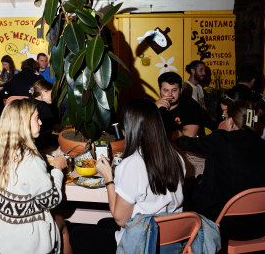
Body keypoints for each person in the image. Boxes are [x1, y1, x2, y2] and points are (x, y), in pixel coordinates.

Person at [69, 99, 185, 253]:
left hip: (143, 242)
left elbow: (121, 219)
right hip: (169, 239)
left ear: (128, 130)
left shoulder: (133, 163)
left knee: (77, 234)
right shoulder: (176, 157)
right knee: (103, 223)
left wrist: (108, 178)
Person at [0, 99, 67, 254]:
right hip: (20, 245)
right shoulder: (30, 161)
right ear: (23, 123)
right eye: (36, 118)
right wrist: (58, 170)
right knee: (61, 221)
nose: (40, 122)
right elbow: (51, 201)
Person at [176, 100, 265, 230]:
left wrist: (177, 136)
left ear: (230, 121)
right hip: (261, 224)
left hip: (224, 224)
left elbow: (188, 143)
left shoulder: (221, 139)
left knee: (188, 191)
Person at [155, 72, 206, 138]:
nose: (170, 94)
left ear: (180, 90)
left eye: (174, 90)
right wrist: (153, 109)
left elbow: (189, 135)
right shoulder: (155, 107)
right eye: (166, 90)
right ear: (160, 90)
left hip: (188, 147)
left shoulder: (191, 106)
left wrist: (159, 135)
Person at [30, 79, 59, 149]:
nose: (53, 96)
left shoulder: (29, 102)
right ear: (44, 92)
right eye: (51, 93)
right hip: (42, 145)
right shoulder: (44, 107)